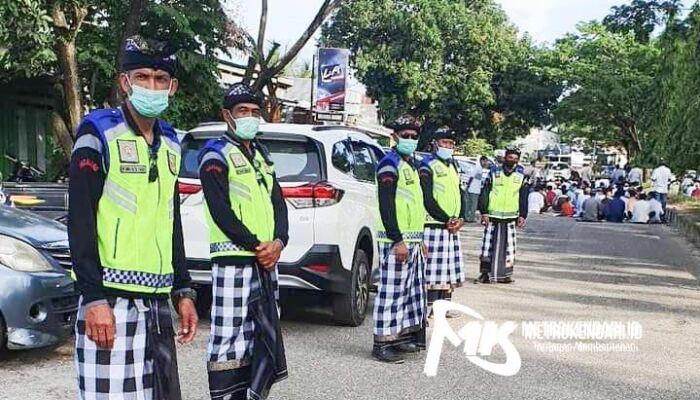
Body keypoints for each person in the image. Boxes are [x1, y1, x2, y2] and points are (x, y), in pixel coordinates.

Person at [69, 35, 198, 400]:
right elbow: (79, 219)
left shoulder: (171, 142)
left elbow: (170, 220)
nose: (151, 87)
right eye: (142, 77)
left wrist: (183, 290)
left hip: (156, 305)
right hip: (110, 303)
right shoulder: (98, 133)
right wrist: (93, 298)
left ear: (172, 87)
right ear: (125, 82)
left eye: (160, 79)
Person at [198, 83, 289, 399]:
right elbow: (220, 210)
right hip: (234, 261)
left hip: (265, 262)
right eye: (242, 112)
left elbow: (278, 202)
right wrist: (256, 245)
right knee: (229, 338)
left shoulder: (262, 155)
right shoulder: (215, 154)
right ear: (228, 115)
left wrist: (279, 242)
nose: (250, 117)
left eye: (254, 112)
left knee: (260, 335)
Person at [372, 115, 427, 363]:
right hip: (395, 241)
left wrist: (419, 240)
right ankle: (382, 343)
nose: (410, 140)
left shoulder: (410, 164)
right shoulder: (389, 164)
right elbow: (386, 206)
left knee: (408, 292)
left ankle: (400, 337)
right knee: (391, 293)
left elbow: (414, 205)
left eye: (414, 137)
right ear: (394, 137)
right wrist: (397, 240)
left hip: (412, 240)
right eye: (405, 136)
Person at [419, 127, 465, 316]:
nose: (448, 146)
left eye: (451, 144)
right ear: (435, 144)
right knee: (431, 270)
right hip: (433, 224)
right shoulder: (426, 165)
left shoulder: (453, 165)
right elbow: (427, 198)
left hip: (451, 226)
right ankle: (428, 307)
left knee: (446, 268)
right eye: (445, 143)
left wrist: (460, 217)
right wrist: (446, 218)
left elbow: (459, 193)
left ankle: (444, 305)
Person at [477, 146, 529, 284]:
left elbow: (523, 196)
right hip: (492, 215)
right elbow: (484, 192)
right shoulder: (493, 172)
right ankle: (485, 274)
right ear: (505, 157)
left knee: (509, 248)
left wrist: (523, 215)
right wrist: (484, 212)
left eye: (515, 158)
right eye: (510, 157)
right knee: (487, 246)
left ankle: (505, 275)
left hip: (511, 217)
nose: (512, 160)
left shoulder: (521, 175)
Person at [463, 156, 490, 222]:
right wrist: (468, 186)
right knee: (472, 205)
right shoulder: (477, 168)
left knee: (471, 205)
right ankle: (470, 218)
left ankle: (468, 217)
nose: (486, 163)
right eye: (485, 161)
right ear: (481, 161)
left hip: (476, 190)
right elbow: (471, 177)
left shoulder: (480, 169)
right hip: (472, 189)